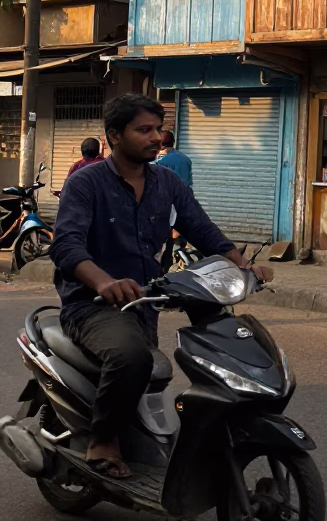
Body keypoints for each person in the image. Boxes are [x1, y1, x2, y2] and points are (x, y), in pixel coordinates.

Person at [48, 93, 272, 479]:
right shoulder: (87, 183)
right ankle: (102, 439)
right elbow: (65, 244)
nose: (156, 137)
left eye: (158, 128)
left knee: (161, 369)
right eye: (144, 130)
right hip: (93, 305)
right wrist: (104, 281)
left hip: (146, 300)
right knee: (132, 358)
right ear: (114, 136)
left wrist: (243, 264)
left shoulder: (166, 181)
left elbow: (200, 227)